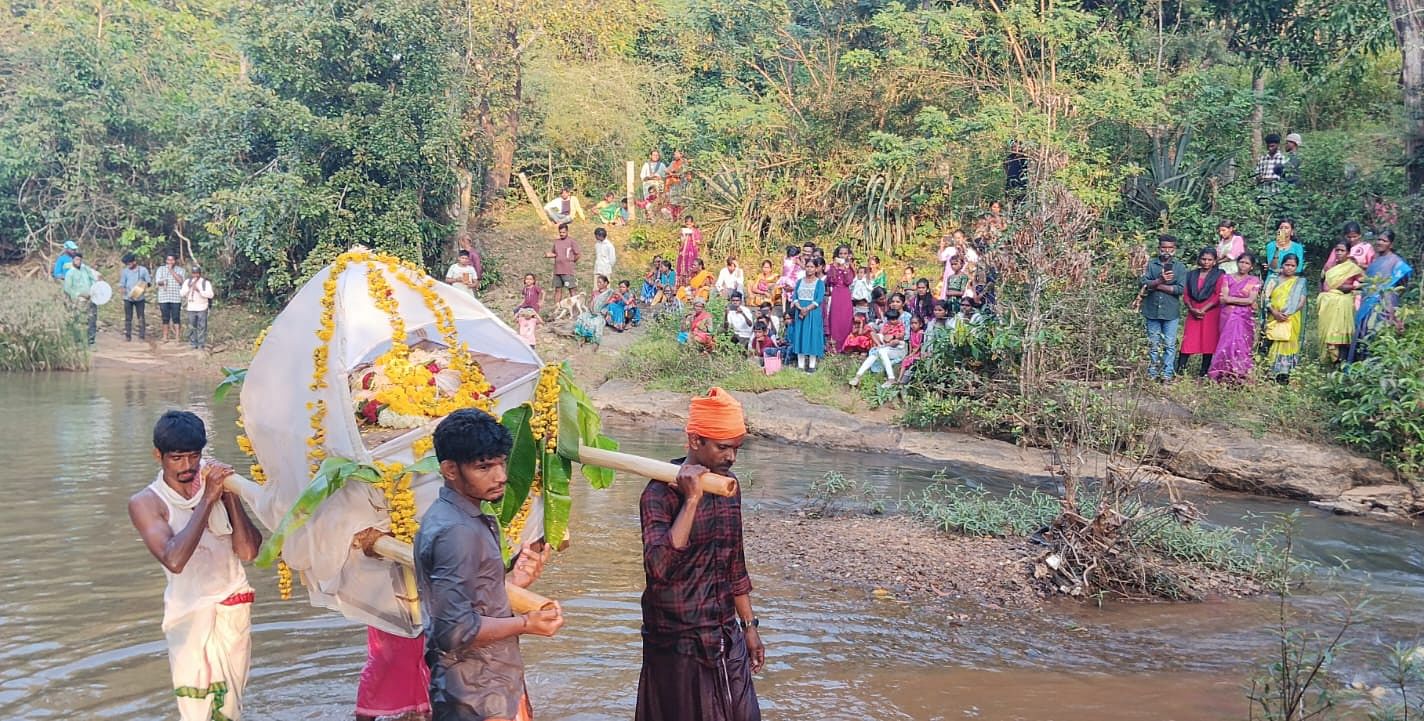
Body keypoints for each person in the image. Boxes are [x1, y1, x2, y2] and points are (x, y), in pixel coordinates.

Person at [415, 408, 561, 721]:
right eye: (484, 467)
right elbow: (453, 629)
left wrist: (514, 583)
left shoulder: (459, 516)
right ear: (450, 470)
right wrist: (527, 623)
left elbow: (470, 598)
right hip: (476, 691)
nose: (501, 476)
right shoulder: (456, 530)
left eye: (501, 462)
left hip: (481, 684)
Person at [635, 388, 762, 721]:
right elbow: (659, 567)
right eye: (722, 447)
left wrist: (749, 626)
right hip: (678, 640)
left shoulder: (728, 487)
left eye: (736, 448)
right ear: (694, 441)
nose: (731, 457)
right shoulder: (658, 493)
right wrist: (691, 500)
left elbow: (735, 562)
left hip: (723, 630)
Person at [127, 410, 262, 721]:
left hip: (232, 602)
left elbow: (248, 552)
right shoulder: (146, 503)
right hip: (188, 614)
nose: (187, 467)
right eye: (177, 458)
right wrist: (208, 500)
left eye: (193, 456)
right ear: (157, 455)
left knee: (230, 705)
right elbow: (174, 559)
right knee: (195, 707)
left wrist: (228, 497)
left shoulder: (215, 483)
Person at [1350, 229, 1414, 361]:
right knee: (1364, 333)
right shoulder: (1374, 262)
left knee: (1379, 334)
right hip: (1368, 305)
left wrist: (1390, 298)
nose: (1380, 242)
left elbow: (1402, 284)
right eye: (1379, 239)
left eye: (1384, 240)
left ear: (1391, 244)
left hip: (1385, 305)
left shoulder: (1397, 262)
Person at [1138, 235, 1187, 382]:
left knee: (1169, 345)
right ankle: (1152, 374)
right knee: (1153, 344)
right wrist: (1160, 281)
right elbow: (1142, 283)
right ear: (1159, 248)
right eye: (1164, 248)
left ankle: (1167, 375)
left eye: (1170, 248)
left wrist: (1157, 285)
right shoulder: (1150, 264)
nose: (1167, 251)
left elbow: (1180, 289)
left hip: (1170, 312)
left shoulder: (1180, 267)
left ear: (1174, 250)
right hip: (1151, 310)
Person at [1208, 252, 1263, 383]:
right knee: (1225, 343)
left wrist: (1231, 300)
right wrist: (1240, 300)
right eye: (1241, 262)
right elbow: (1223, 299)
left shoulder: (1254, 281)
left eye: (1247, 263)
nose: (1243, 265)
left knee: (1242, 343)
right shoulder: (1226, 278)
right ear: (1237, 263)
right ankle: (1220, 374)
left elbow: (1250, 300)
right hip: (1227, 316)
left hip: (1244, 317)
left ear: (1251, 266)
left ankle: (1239, 375)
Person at [1178, 247, 1225, 378]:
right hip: (1193, 310)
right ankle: (1180, 371)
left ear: (1215, 261)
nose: (1206, 262)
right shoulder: (1191, 274)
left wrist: (1203, 309)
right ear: (1199, 260)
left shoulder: (1219, 275)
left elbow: (1217, 295)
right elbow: (1186, 294)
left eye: (1210, 260)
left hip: (1211, 312)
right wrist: (1192, 308)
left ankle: (1203, 372)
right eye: (1203, 259)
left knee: (1209, 342)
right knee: (1188, 341)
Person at [1263, 255, 1308, 384]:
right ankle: (1270, 372)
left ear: (1296, 267)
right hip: (1274, 316)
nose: (1289, 268)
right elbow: (1265, 298)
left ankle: (1285, 374)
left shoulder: (1300, 282)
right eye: (1287, 265)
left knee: (1288, 342)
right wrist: (1275, 312)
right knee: (1273, 340)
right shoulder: (1273, 279)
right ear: (1282, 265)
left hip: (1291, 318)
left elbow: (1301, 301)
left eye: (1293, 266)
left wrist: (1288, 312)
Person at [1316, 242, 1364, 364]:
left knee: (1339, 334)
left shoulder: (1352, 267)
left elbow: (1365, 283)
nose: (1339, 253)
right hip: (1327, 303)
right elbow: (1321, 280)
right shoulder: (1329, 266)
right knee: (1326, 332)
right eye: (1337, 250)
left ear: (1348, 253)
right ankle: (1328, 362)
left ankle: (1341, 362)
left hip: (1344, 302)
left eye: (1342, 251)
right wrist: (1322, 295)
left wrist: (1350, 288)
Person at [849, 308, 907, 387]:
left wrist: (892, 337)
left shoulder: (900, 325)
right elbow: (882, 334)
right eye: (890, 319)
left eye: (894, 319)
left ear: (897, 318)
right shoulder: (886, 324)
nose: (892, 321)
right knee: (875, 351)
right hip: (885, 344)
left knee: (881, 351)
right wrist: (886, 337)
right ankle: (858, 376)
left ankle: (891, 378)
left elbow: (901, 336)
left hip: (897, 347)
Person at [790, 257, 826, 373]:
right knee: (800, 335)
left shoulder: (819, 283)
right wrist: (800, 308)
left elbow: (819, 299)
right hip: (800, 311)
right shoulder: (800, 281)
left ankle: (811, 365)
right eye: (807, 266)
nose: (809, 269)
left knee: (812, 336)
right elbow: (795, 296)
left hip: (813, 313)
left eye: (812, 267)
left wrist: (807, 309)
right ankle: (800, 365)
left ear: (816, 269)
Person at [62, 253, 101, 345]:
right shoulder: (70, 273)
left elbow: (93, 279)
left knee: (92, 319)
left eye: (79, 260)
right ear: (73, 261)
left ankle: (91, 341)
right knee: (78, 320)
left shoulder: (85, 270)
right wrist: (78, 295)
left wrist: (94, 289)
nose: (78, 262)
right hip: (79, 300)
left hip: (90, 297)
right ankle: (78, 341)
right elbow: (68, 288)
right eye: (76, 260)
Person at [825, 245, 855, 350]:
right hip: (835, 294)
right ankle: (834, 346)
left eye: (845, 253)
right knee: (835, 319)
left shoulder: (850, 266)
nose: (842, 255)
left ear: (848, 255)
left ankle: (846, 345)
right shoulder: (832, 266)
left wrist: (845, 269)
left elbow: (849, 281)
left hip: (845, 294)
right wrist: (835, 267)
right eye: (841, 253)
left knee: (846, 319)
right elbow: (831, 280)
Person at [119, 252, 151, 342]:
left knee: (141, 316)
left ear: (134, 262)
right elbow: (122, 284)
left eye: (129, 263)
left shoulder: (143, 270)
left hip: (139, 297)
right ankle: (128, 336)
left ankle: (141, 336)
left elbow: (149, 282)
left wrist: (142, 287)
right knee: (128, 317)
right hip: (128, 298)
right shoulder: (125, 271)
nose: (128, 265)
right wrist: (122, 289)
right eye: (127, 264)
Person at [546, 224, 580, 306]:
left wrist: (571, 262)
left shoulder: (571, 241)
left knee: (571, 289)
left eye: (563, 232)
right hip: (557, 270)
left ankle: (575, 307)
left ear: (567, 231)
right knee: (557, 289)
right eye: (560, 232)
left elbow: (578, 254)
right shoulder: (556, 242)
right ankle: (557, 307)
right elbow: (554, 253)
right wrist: (549, 255)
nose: (562, 234)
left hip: (567, 270)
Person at [575, 275, 614, 346]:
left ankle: (592, 340)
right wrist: (591, 310)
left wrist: (602, 312)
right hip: (592, 311)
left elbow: (609, 304)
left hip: (602, 313)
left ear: (605, 283)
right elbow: (591, 302)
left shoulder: (610, 292)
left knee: (595, 322)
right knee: (582, 317)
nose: (598, 284)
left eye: (600, 282)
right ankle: (581, 337)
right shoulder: (595, 292)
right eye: (597, 282)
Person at [181, 267, 215, 350]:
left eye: (197, 273)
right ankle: (193, 343)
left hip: (202, 307)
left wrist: (199, 290)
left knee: (202, 326)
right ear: (191, 273)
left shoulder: (205, 283)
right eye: (194, 273)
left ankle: (201, 344)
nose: (195, 275)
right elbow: (182, 293)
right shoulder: (187, 282)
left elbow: (210, 295)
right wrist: (189, 288)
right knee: (192, 326)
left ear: (200, 273)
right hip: (191, 307)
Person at [937, 231, 978, 300]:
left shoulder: (969, 252)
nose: (957, 240)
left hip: (963, 281)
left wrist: (964, 251)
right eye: (955, 238)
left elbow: (974, 264)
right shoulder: (950, 250)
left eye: (959, 238)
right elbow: (941, 258)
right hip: (950, 280)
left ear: (964, 238)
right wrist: (942, 246)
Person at [155, 254, 187, 343]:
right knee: (165, 318)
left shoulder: (181, 270)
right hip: (163, 297)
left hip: (176, 297)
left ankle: (177, 337)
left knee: (176, 317)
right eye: (168, 260)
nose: (170, 262)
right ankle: (165, 337)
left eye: (172, 260)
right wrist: (163, 282)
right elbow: (157, 283)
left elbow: (181, 281)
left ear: (175, 261)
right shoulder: (160, 269)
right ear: (166, 260)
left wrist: (171, 270)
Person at [1264, 219, 1306, 285]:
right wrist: (1277, 249)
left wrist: (1280, 270)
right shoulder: (1271, 246)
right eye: (1281, 228)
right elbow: (1273, 267)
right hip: (1273, 280)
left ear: (1292, 232)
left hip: (1292, 280)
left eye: (1286, 228)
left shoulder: (1297, 247)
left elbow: (1298, 268)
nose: (1283, 230)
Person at [777, 246, 803, 316]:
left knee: (792, 294)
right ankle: (784, 310)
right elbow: (782, 268)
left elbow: (801, 268)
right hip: (786, 277)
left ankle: (789, 309)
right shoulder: (785, 258)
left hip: (793, 278)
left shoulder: (797, 259)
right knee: (784, 293)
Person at [677, 217, 703, 284]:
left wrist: (692, 236)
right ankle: (682, 284)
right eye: (686, 224)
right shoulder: (683, 231)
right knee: (682, 268)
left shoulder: (696, 231)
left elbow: (699, 242)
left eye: (689, 224)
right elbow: (680, 242)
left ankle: (692, 283)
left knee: (692, 267)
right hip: (683, 253)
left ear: (692, 223)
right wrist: (682, 237)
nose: (688, 226)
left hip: (692, 253)